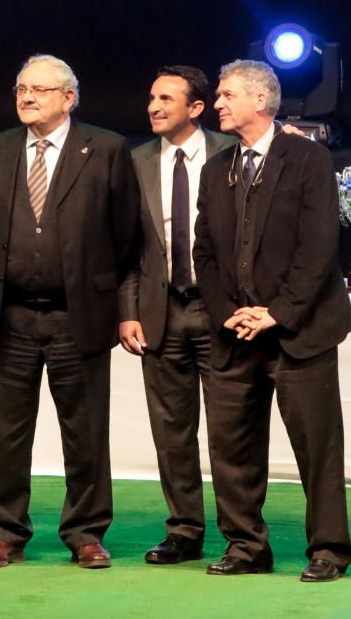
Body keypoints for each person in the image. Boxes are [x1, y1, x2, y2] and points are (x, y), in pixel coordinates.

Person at [0, 54, 140, 570]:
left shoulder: (107, 148)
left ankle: (86, 533)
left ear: (69, 98)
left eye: (40, 90)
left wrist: (121, 305)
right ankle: (6, 533)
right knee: (6, 433)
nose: (26, 97)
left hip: (79, 316)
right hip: (11, 316)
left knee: (86, 432)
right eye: (21, 88)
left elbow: (127, 235)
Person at [192, 59, 351, 582]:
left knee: (317, 447)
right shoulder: (217, 168)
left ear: (260, 101)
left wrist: (276, 314)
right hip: (235, 333)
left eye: (226, 95)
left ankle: (328, 549)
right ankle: (246, 546)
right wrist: (230, 314)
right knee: (232, 447)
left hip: (299, 333)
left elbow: (318, 251)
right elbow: (206, 253)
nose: (217, 103)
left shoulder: (308, 159)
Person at [117, 66, 234, 565]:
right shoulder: (134, 161)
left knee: (230, 430)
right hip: (158, 311)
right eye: (150, 98)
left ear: (196, 108)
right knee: (172, 432)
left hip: (219, 312)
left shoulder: (231, 154)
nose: (154, 106)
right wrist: (127, 311)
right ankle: (184, 530)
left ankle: (242, 535)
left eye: (166, 98)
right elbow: (122, 246)